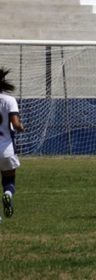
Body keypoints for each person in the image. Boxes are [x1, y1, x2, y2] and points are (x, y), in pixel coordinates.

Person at [0, 68, 24, 218]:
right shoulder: (9, 100)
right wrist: (21, 127)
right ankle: (8, 194)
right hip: (6, 149)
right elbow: (15, 124)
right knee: (9, 180)